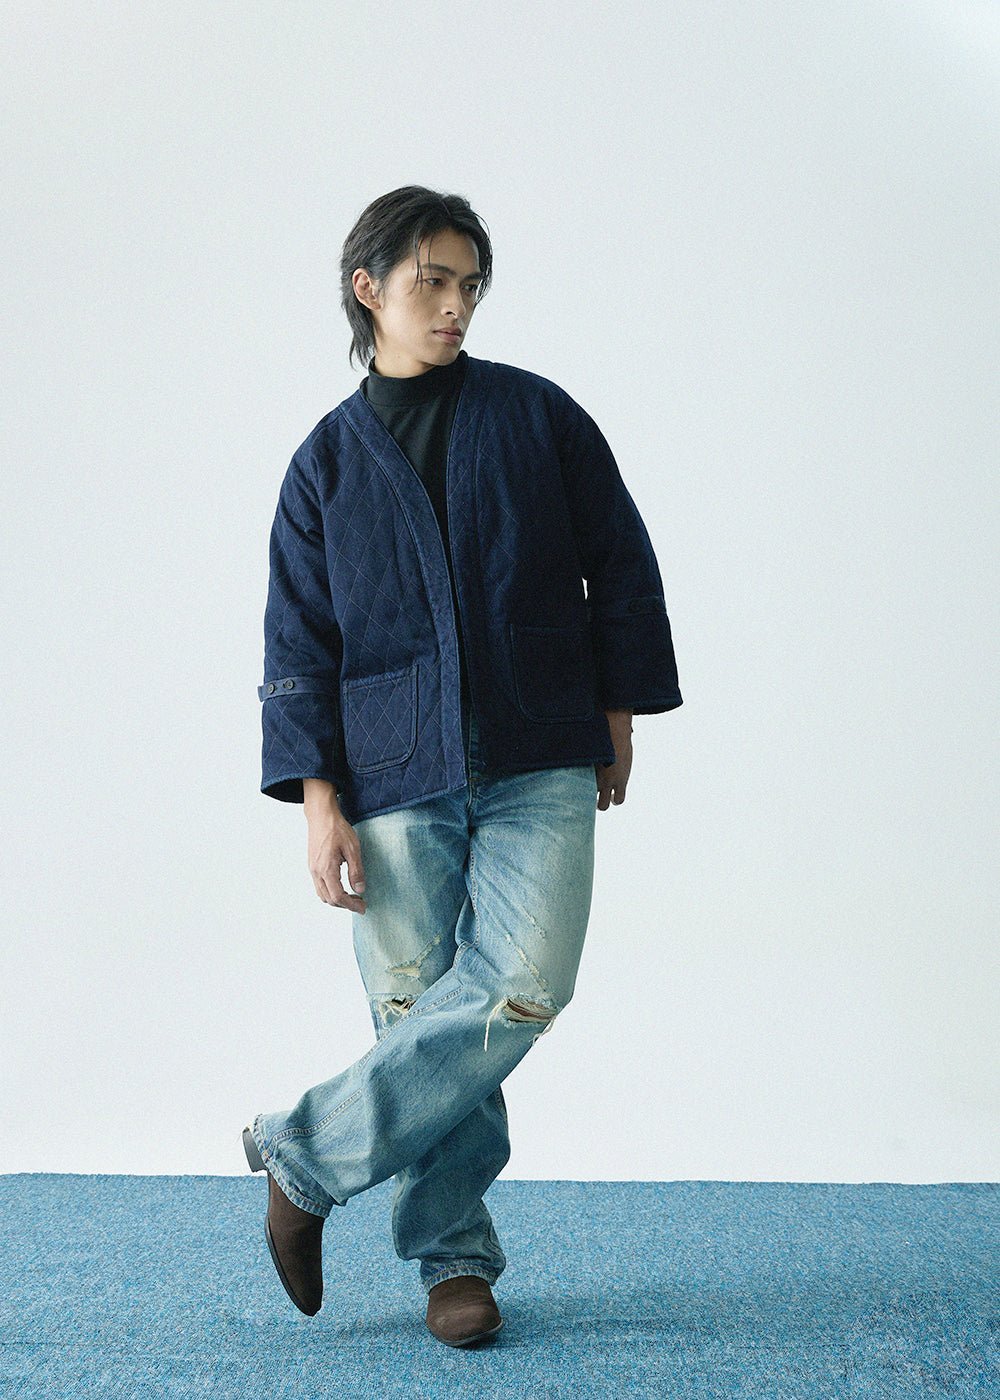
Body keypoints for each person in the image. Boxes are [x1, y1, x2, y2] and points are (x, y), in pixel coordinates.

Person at [242, 185, 683, 1347]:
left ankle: (302, 1157)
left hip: (541, 745)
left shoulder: (538, 416)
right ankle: (454, 1262)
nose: (453, 305)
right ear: (368, 288)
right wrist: (318, 801)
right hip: (390, 765)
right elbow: (299, 643)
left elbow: (619, 560)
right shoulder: (323, 466)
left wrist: (617, 712)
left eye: (469, 284)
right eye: (430, 281)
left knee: (520, 982)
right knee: (414, 1005)